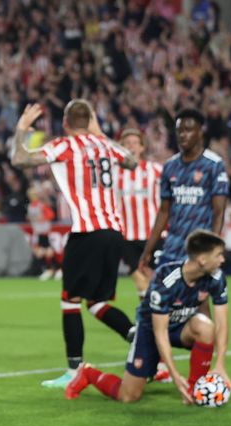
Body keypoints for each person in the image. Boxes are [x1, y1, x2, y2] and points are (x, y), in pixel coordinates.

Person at [11, 100, 138, 389]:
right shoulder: (107, 146)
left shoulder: (66, 145)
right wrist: (100, 133)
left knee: (69, 299)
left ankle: (73, 369)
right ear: (91, 120)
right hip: (114, 232)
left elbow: (20, 160)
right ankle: (135, 335)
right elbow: (131, 160)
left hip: (88, 231)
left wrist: (21, 129)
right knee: (95, 302)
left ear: (66, 123)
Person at [66, 230, 230, 404]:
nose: (222, 260)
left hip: (182, 328)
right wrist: (174, 375)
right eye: (218, 255)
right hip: (150, 331)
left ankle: (194, 390)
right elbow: (160, 333)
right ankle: (88, 373)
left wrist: (219, 365)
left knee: (206, 327)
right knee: (128, 396)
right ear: (202, 260)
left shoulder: (216, 277)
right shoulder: (166, 280)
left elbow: (222, 324)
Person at [138, 109, 229, 272]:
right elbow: (164, 212)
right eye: (179, 131)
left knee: (199, 297)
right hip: (172, 247)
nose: (182, 135)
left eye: (188, 130)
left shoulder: (214, 165)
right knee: (165, 295)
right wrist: (148, 249)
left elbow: (218, 212)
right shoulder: (170, 166)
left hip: (200, 248)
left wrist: (213, 248)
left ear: (200, 132)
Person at [116, 129, 162, 300]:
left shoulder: (155, 170)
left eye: (135, 143)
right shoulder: (114, 173)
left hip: (153, 235)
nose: (131, 147)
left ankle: (152, 317)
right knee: (138, 278)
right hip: (126, 238)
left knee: (153, 279)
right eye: (127, 144)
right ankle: (149, 318)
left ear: (142, 147)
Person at [27, 184, 59, 281]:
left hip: (44, 231)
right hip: (37, 231)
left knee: (45, 251)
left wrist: (43, 218)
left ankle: (53, 269)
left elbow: (51, 215)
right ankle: (51, 269)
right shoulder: (30, 206)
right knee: (42, 252)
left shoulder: (41, 205)